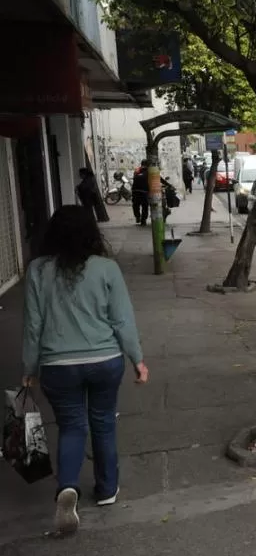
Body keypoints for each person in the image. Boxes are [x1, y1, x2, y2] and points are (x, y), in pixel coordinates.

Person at [20, 205, 148, 536]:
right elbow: (122, 319)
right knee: (103, 422)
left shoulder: (37, 270)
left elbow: (34, 325)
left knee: (72, 426)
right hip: (105, 360)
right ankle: (106, 491)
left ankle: (68, 487)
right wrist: (138, 359)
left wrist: (29, 368)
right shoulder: (106, 268)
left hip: (57, 365)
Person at [131, 160, 149, 226]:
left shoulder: (137, 170)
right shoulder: (149, 171)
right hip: (144, 191)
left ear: (141, 164)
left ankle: (138, 216)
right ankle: (143, 220)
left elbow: (134, 179)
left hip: (135, 190)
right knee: (145, 206)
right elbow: (159, 179)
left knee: (135, 205)